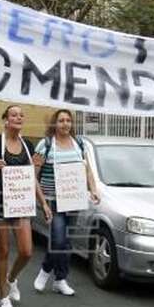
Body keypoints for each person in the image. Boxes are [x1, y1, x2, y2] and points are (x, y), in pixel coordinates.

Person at [0, 105, 51, 307]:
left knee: (26, 251)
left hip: (21, 203)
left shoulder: (28, 146)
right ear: (5, 119)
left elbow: (32, 178)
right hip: (0, 204)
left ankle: (11, 278)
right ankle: (3, 295)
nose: (18, 117)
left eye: (21, 115)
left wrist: (44, 203)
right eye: (14, 114)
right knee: (3, 250)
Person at [31, 109, 100, 296]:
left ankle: (60, 279)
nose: (65, 124)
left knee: (66, 242)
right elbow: (33, 176)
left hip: (74, 201)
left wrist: (93, 189)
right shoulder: (44, 145)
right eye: (61, 120)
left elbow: (87, 170)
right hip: (53, 201)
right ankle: (46, 270)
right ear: (55, 123)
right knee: (59, 240)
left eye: (68, 120)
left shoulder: (79, 144)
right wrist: (43, 203)